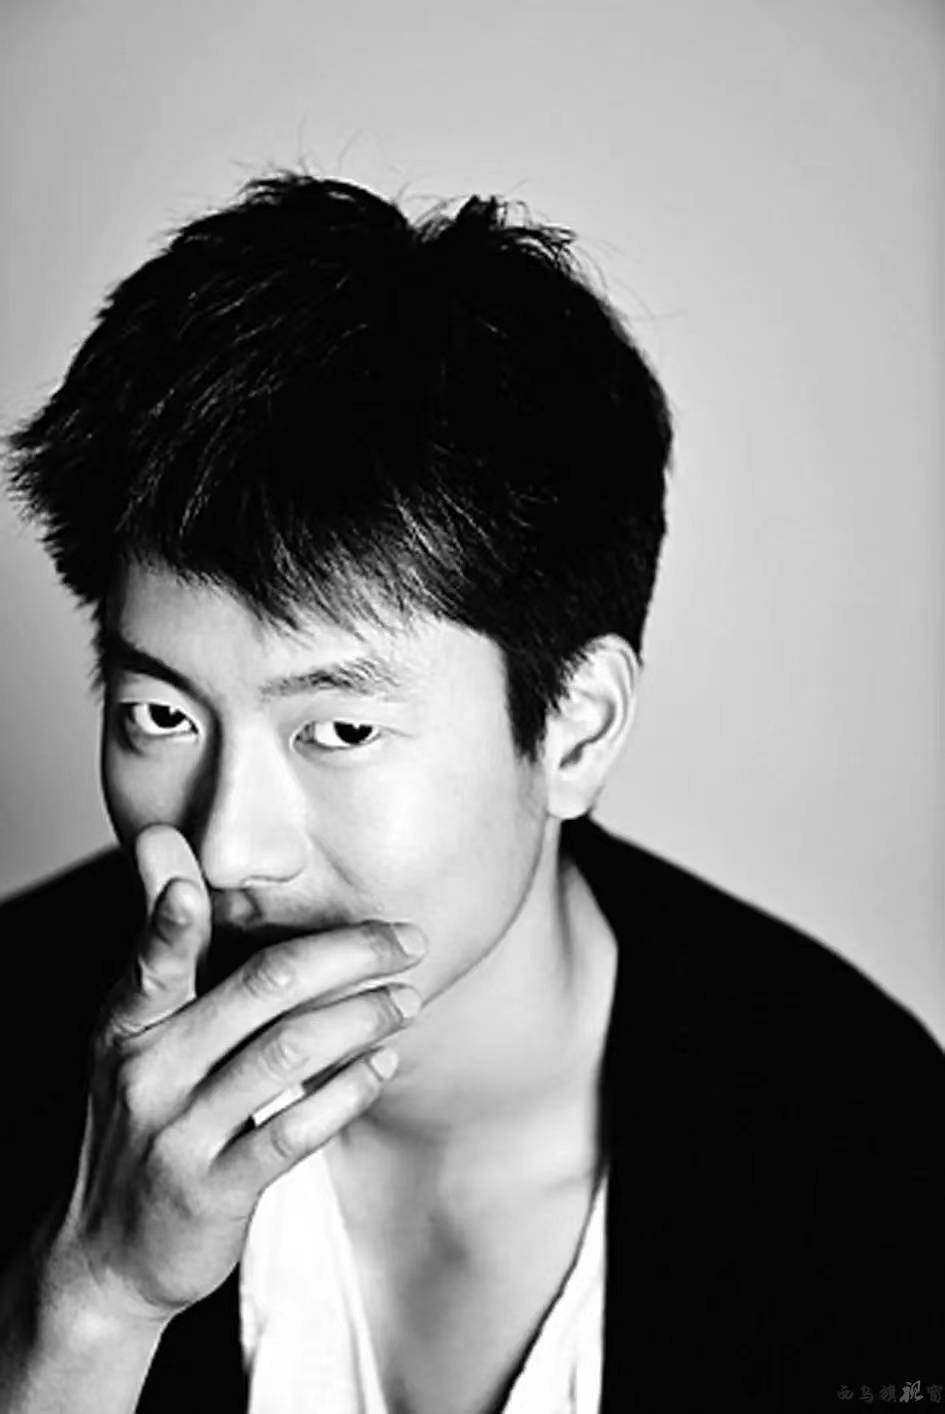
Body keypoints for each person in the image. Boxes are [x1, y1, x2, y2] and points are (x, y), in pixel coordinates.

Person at [0, 173, 941, 1414]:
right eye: (160, 715)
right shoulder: (16, 1033)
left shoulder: (861, 1141)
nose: (225, 850)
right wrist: (95, 1302)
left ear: (575, 727)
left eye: (340, 728)